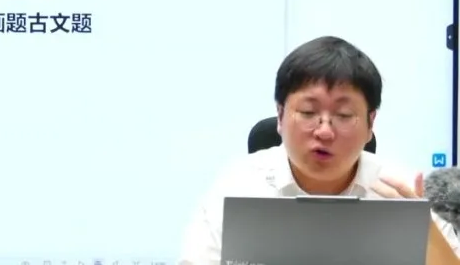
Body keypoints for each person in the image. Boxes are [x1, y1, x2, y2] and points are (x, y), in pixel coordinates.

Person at [179, 35, 460, 265]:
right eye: (308, 112)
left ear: (370, 123)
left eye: (344, 115)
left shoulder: (404, 195)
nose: (324, 131)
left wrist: (421, 232)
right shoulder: (237, 187)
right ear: (280, 116)